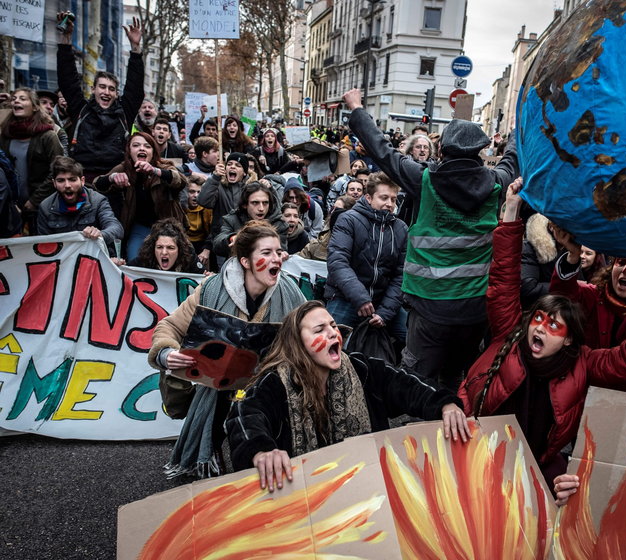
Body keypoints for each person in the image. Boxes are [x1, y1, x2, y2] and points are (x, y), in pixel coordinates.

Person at [458, 180, 626, 487]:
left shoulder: (583, 364)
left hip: (532, 467)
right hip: (474, 449)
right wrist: (511, 209)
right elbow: (503, 281)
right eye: (538, 319)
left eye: (553, 325)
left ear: (569, 339)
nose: (540, 327)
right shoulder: (509, 336)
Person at [343, 87, 519, 392]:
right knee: (457, 378)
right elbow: (514, 159)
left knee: (416, 383)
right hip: (475, 308)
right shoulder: (496, 183)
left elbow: (382, 151)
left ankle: (418, 432)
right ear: (479, 153)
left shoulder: (424, 180)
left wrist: (357, 108)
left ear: (443, 151)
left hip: (428, 308)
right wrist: (519, 128)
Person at [225, 300, 470, 490]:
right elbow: (244, 413)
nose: (332, 332)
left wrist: (445, 404)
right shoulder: (276, 382)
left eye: (333, 326)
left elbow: (406, 384)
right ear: (297, 344)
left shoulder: (361, 368)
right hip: (300, 498)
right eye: (319, 329)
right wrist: (261, 450)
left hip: (364, 489)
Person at [149, 220, 307, 477]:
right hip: (219, 389)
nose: (276, 259)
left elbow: (309, 327)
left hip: (269, 386)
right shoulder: (211, 290)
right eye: (266, 253)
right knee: (220, 429)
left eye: (278, 252)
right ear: (245, 261)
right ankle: (211, 465)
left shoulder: (289, 291)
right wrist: (167, 354)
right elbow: (169, 327)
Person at [57, 12, 144, 182]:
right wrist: (66, 38)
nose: (106, 92)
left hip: (116, 181)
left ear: (116, 94)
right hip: (82, 182)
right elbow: (68, 80)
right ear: (93, 89)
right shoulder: (81, 109)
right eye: (102, 87)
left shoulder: (124, 113)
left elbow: (135, 89)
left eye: (111, 89)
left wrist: (135, 49)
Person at [325, 172, 408, 341]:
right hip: (345, 298)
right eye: (384, 198)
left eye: (393, 199)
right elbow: (338, 261)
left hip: (382, 301)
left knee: (412, 339)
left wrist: (385, 311)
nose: (389, 204)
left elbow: (401, 274)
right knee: (329, 340)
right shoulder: (348, 220)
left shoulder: (401, 229)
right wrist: (360, 299)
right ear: (368, 198)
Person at [93, 131, 186, 259]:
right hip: (139, 228)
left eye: (147, 146)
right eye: (136, 145)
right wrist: (113, 178)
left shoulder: (164, 166)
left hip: (168, 227)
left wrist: (155, 171)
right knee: (134, 261)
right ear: (129, 151)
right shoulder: (124, 168)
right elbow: (97, 185)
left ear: (153, 152)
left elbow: (180, 181)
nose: (142, 148)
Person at [0, 87, 64, 231]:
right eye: (14, 98)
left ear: (35, 107)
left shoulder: (48, 136)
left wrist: (34, 201)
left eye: (22, 98)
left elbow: (58, 170)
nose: (17, 101)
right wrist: (12, 202)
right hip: (11, 207)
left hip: (41, 206)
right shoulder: (5, 135)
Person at [36, 156, 123, 249]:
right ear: (54, 183)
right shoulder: (46, 207)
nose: (67, 185)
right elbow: (44, 245)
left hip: (94, 256)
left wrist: (100, 234)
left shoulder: (97, 201)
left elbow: (116, 229)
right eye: (61, 180)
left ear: (82, 181)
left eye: (72, 180)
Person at [214, 183, 287, 258]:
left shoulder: (278, 224)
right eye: (255, 203)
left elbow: (281, 250)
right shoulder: (233, 219)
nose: (261, 208)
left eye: (265, 203)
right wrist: (232, 238)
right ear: (245, 205)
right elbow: (217, 245)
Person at [197, 152, 253, 245]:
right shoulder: (218, 186)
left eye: (238, 165)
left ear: (244, 173)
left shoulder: (252, 189)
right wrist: (215, 177)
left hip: (247, 239)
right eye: (229, 164)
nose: (232, 167)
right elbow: (203, 201)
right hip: (223, 240)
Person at [127, 217, 203, 273]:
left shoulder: (189, 257)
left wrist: (208, 277)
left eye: (170, 248)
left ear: (180, 249)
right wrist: (117, 266)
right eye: (159, 247)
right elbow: (124, 272)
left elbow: (203, 278)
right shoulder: (146, 258)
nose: (164, 252)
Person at [181, 175, 213, 269]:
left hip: (203, 244)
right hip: (184, 244)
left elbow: (213, 231)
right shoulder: (180, 209)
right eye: (192, 192)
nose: (196, 195)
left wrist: (207, 250)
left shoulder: (208, 209)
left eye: (199, 192)